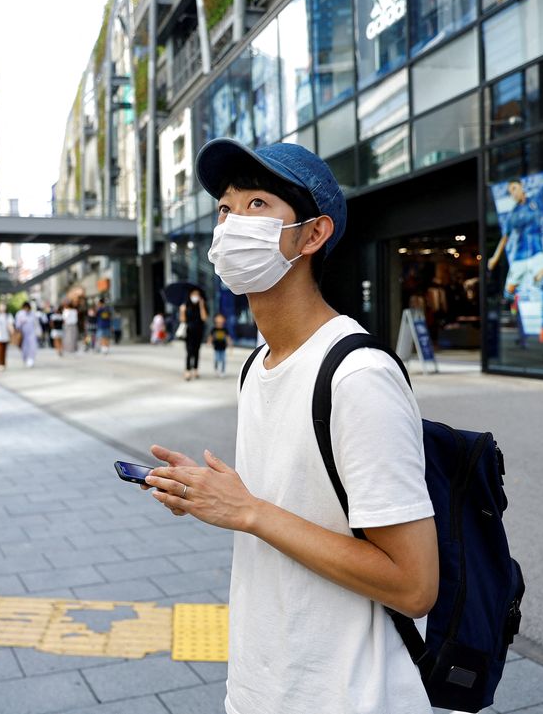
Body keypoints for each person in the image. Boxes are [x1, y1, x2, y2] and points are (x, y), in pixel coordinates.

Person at [143, 139, 438, 714]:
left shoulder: (358, 375)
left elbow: (414, 584)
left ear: (313, 235)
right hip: (264, 685)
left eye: (257, 205)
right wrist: (217, 498)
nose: (230, 225)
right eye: (225, 209)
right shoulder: (258, 364)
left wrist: (249, 511)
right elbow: (291, 512)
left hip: (350, 696)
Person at [487, 150, 543, 344]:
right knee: (508, 293)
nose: (512, 193)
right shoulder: (512, 215)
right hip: (519, 258)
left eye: (514, 189)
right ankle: (514, 303)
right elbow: (505, 238)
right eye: (510, 191)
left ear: (521, 188)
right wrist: (495, 258)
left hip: (537, 253)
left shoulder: (536, 201)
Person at [180, 287, 208, 380]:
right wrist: (182, 311)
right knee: (189, 351)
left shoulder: (203, 305)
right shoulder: (186, 306)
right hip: (189, 332)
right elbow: (183, 320)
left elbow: (204, 318)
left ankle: (195, 369)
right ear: (190, 295)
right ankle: (187, 370)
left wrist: (201, 306)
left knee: (196, 351)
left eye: (197, 294)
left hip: (199, 331)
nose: (195, 296)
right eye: (193, 294)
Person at [14, 301, 41, 368]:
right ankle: (25, 358)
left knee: (32, 347)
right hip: (23, 334)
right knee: (24, 348)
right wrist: (21, 323)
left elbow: (36, 324)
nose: (26, 309)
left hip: (32, 333)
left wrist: (39, 332)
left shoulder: (32, 314)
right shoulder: (19, 314)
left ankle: (31, 360)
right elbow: (17, 325)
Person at [209, 312, 231, 377]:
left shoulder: (225, 329)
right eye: (218, 318)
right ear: (215, 320)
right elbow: (211, 336)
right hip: (216, 347)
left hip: (223, 347)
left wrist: (230, 344)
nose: (219, 320)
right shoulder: (214, 329)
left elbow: (227, 337)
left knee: (223, 360)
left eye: (221, 318)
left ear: (224, 320)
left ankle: (222, 371)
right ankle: (216, 370)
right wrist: (209, 341)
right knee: (216, 359)